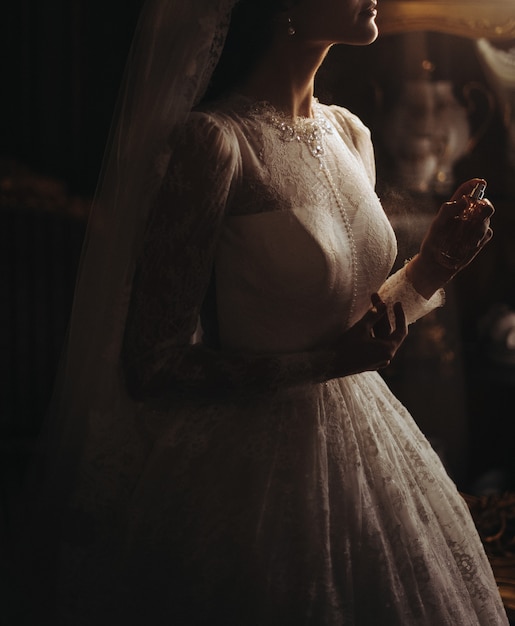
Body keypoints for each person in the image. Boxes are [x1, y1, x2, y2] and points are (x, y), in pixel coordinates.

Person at [19, 0, 509, 624]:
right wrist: (327, 363)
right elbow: (152, 364)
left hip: (370, 450)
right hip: (249, 474)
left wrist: (434, 266)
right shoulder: (216, 143)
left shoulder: (351, 134)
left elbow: (364, 329)